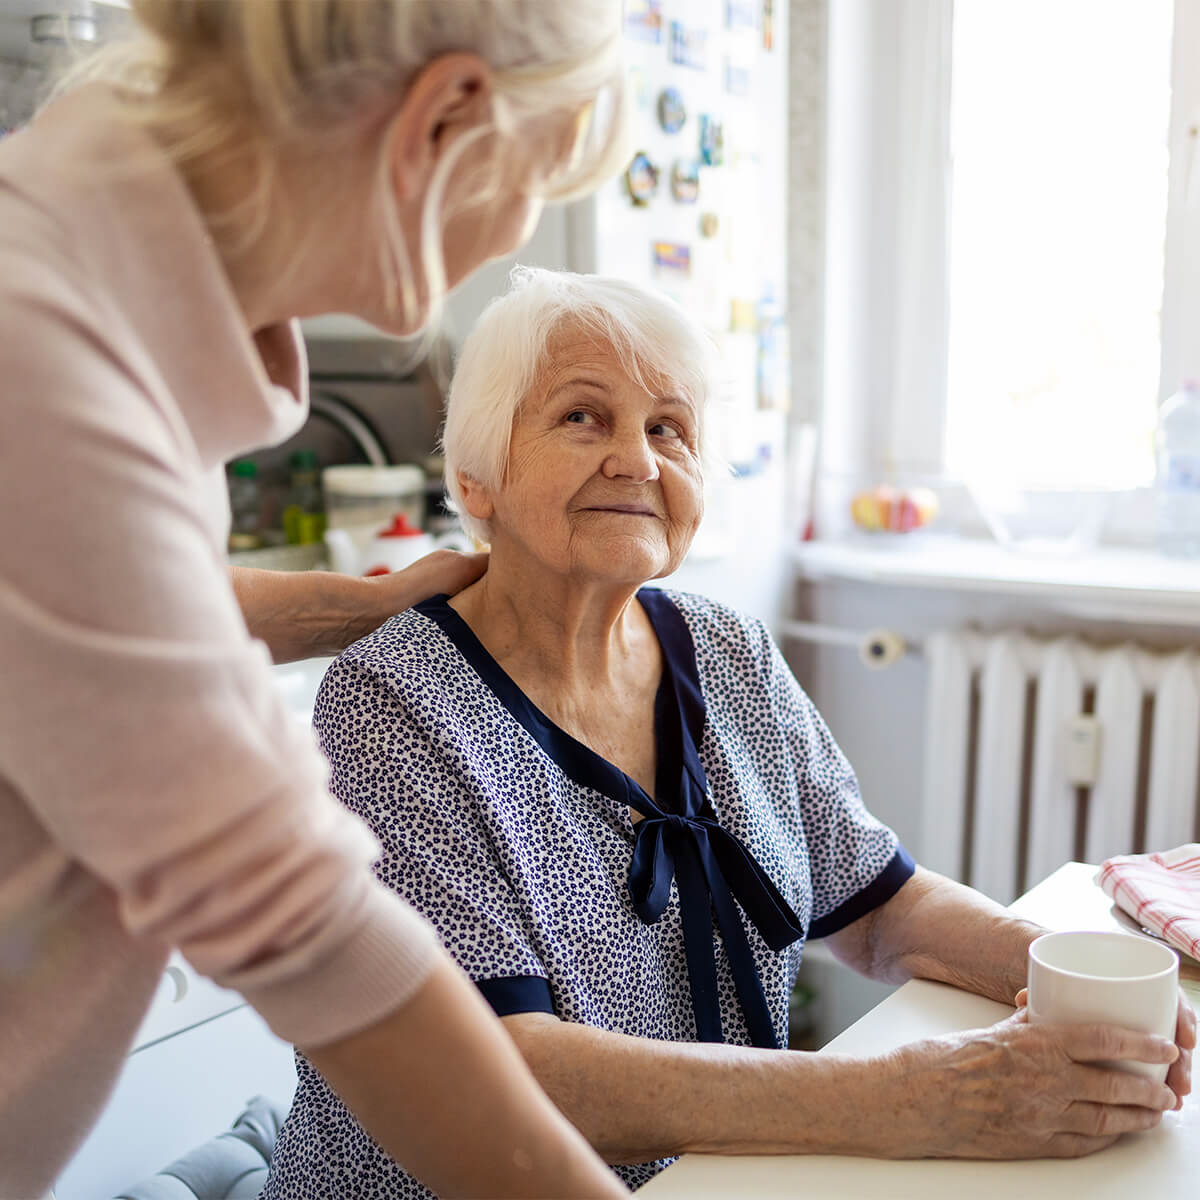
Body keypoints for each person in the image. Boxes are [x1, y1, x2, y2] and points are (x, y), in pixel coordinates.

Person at [269, 267, 1197, 1195]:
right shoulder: (391, 704)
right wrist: (916, 1096)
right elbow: (505, 1068)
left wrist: (1071, 977)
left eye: (668, 429)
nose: (638, 462)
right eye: (583, 417)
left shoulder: (726, 651)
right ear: (477, 478)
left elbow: (882, 907)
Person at [0, 5, 634, 1198]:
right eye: (537, 182)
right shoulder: (42, 364)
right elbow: (303, 924)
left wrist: (361, 604)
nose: (521, 227)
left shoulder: (93, 259)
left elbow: (111, 600)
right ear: (443, 124)